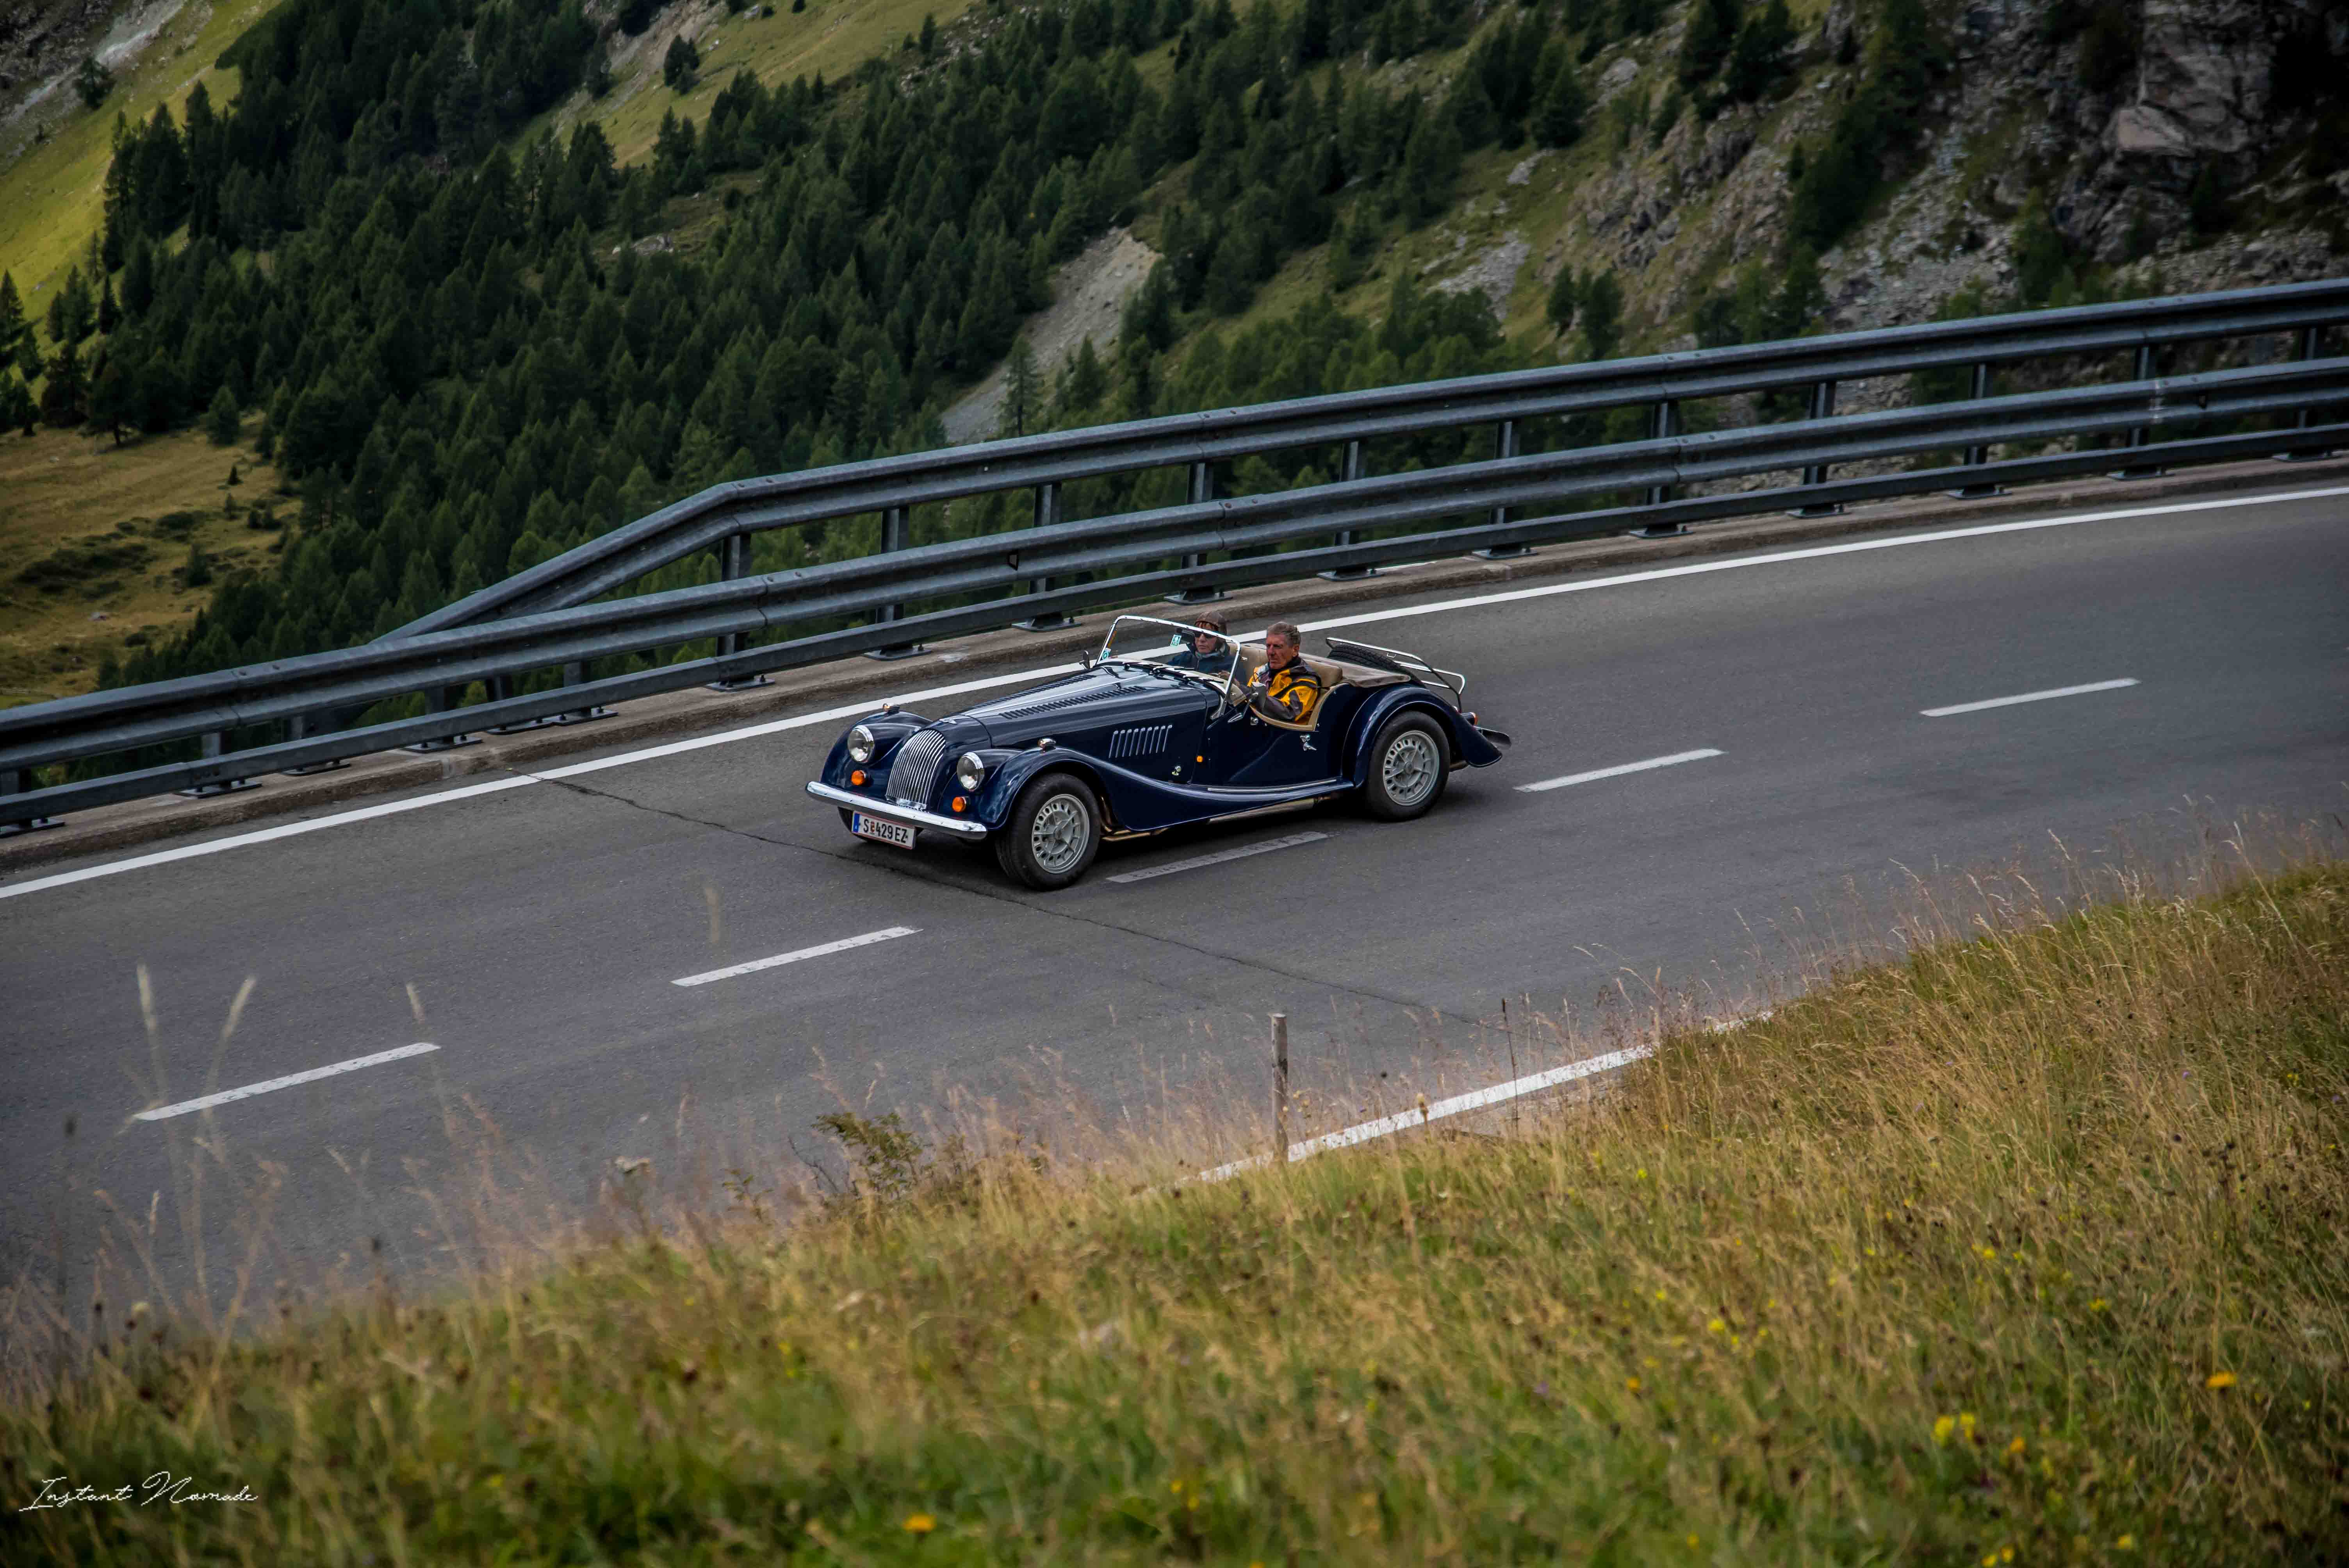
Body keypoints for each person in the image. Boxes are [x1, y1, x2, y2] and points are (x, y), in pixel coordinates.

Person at [1247, 621, 1321, 723]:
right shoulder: (1262, 673)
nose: (1271, 653)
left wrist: (1246, 692)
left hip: (1285, 734)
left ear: (1295, 650)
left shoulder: (1306, 682)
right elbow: (1246, 705)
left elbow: (1288, 713)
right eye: (1269, 646)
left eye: (1278, 647)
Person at [1165, 611, 1234, 676]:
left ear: (1220, 639)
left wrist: (1235, 683)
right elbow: (1160, 674)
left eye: (1208, 634)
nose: (1201, 639)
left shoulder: (1231, 665)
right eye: (1198, 633)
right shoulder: (1185, 658)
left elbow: (1241, 688)